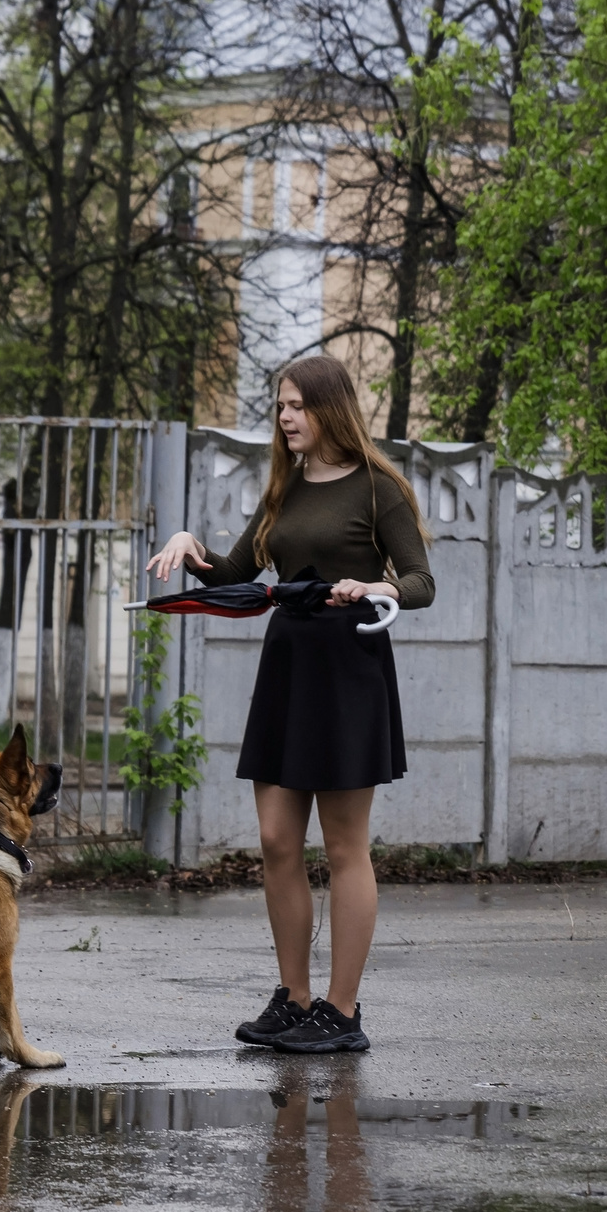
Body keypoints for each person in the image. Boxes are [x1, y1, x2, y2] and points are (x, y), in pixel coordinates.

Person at [143, 354, 433, 1054]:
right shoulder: (285, 484)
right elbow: (235, 572)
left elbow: (421, 581)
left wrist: (376, 587)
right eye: (280, 405)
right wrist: (189, 545)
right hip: (288, 668)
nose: (285, 416)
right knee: (276, 840)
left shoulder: (378, 487)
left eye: (297, 404)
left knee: (344, 846)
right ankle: (295, 998)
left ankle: (342, 1010)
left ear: (330, 406)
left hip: (348, 668)